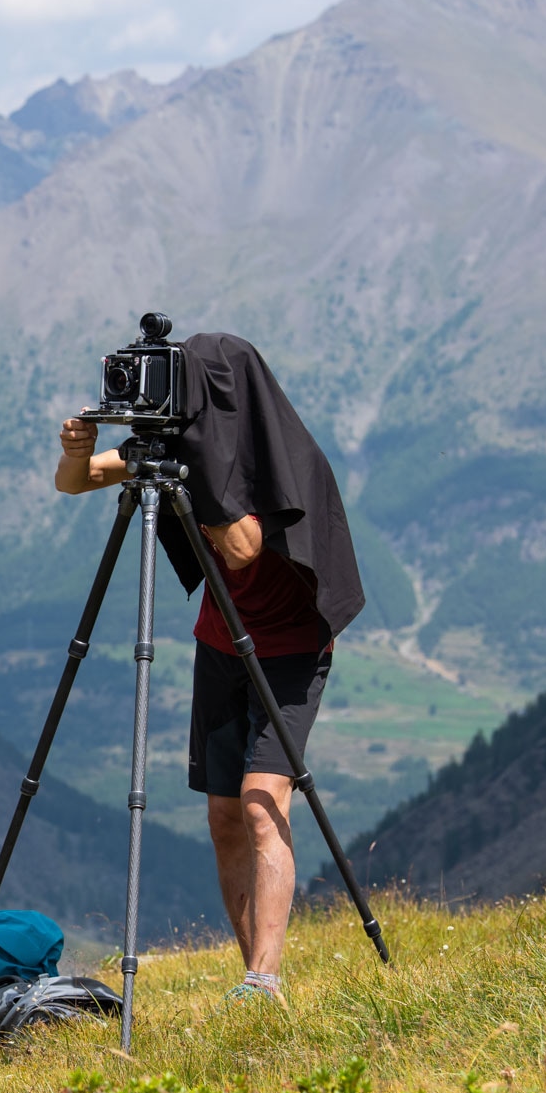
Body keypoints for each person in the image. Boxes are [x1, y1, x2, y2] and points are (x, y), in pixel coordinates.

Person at [53, 332, 363, 1006]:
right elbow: (75, 483)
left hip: (289, 654)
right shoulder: (182, 453)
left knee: (260, 805)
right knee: (223, 816)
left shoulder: (269, 459)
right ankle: (251, 967)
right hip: (220, 646)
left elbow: (244, 546)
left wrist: (200, 461)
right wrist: (77, 454)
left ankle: (265, 979)